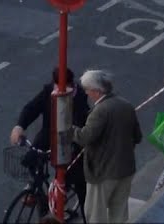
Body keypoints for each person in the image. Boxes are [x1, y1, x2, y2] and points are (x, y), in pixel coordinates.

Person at [10, 66, 91, 208]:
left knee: (74, 176)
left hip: (72, 139)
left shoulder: (80, 98)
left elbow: (81, 125)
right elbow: (32, 108)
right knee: (31, 159)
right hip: (50, 133)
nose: (55, 90)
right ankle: (35, 190)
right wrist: (20, 126)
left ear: (70, 86)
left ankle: (70, 197)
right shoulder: (49, 91)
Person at [73, 69, 142, 224]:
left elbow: (85, 137)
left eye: (88, 90)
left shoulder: (100, 111)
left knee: (95, 214)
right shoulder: (126, 105)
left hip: (103, 173)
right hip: (125, 169)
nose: (86, 93)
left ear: (97, 91)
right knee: (119, 214)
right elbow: (138, 137)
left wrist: (70, 129)